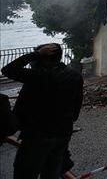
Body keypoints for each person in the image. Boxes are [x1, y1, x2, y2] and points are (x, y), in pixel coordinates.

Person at [1, 43, 83, 179]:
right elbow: (76, 106)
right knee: (52, 173)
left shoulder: (38, 76)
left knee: (25, 173)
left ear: (43, 58)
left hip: (37, 135)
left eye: (36, 58)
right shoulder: (74, 75)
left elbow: (7, 70)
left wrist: (36, 54)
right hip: (63, 133)